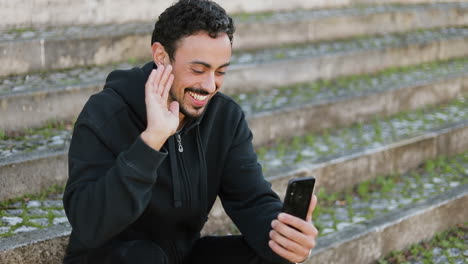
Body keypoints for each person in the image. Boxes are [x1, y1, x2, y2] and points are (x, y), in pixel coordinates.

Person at [63, 0, 318, 263]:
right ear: (161, 56)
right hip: (111, 258)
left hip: (181, 256)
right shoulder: (106, 114)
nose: (210, 85)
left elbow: (252, 201)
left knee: (272, 252)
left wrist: (287, 237)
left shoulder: (224, 118)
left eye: (220, 71)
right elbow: (89, 223)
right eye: (198, 69)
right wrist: (151, 141)